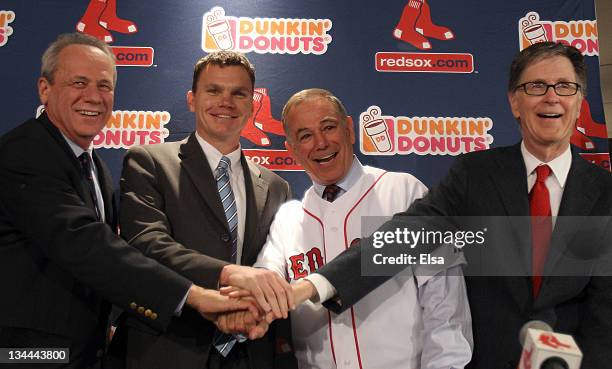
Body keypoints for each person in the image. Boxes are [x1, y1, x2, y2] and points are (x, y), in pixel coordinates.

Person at [293, 42, 612, 369]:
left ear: (579, 100)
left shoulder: (605, 193)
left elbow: (605, 313)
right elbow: (408, 235)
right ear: (514, 102)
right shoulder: (475, 174)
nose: (551, 97)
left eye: (564, 86)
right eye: (536, 86)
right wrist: (315, 285)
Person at [0, 33, 255, 369]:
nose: (93, 96)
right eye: (79, 82)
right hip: (29, 355)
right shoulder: (26, 153)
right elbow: (89, 247)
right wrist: (194, 295)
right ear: (44, 89)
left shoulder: (94, 167)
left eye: (104, 86)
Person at [245, 88, 472, 369]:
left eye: (328, 127)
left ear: (350, 130)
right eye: (305, 136)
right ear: (291, 150)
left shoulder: (405, 191)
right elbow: (263, 283)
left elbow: (447, 305)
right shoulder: (288, 219)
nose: (320, 142)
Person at [117, 51, 297, 369]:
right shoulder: (149, 161)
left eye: (238, 93)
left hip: (251, 350)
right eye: (213, 90)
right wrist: (226, 274)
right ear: (191, 99)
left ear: (252, 104)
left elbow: (276, 264)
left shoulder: (275, 186)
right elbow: (146, 244)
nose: (225, 102)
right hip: (168, 349)